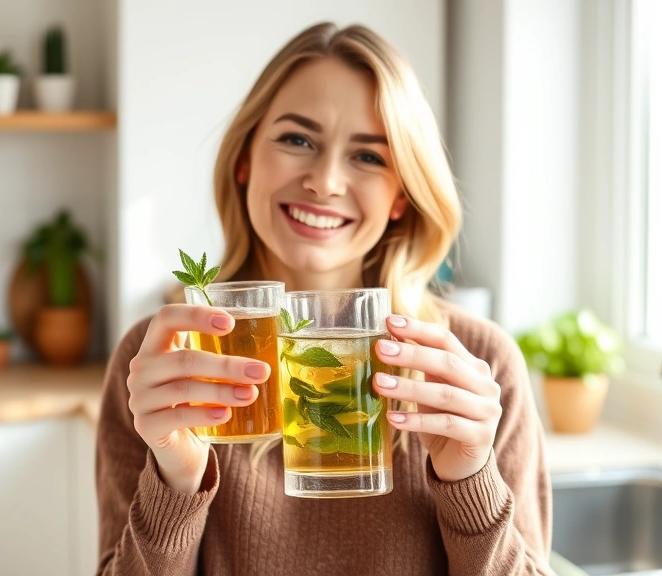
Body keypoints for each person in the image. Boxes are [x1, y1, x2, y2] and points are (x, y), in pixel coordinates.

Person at [96, 22, 553, 575]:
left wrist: (469, 482)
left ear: (400, 198)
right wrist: (174, 480)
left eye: (368, 157)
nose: (325, 181)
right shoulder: (164, 364)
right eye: (297, 140)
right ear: (245, 162)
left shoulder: (475, 368)